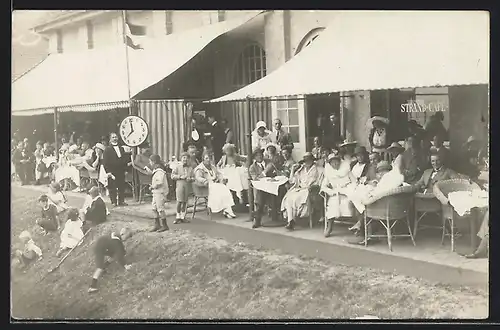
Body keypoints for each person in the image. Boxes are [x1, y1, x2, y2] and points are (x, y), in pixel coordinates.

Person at [281, 152, 323, 231]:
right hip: (299, 189)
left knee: (296, 198)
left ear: (312, 161)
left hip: (308, 189)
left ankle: (292, 220)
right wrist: (293, 170)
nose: (307, 163)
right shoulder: (301, 170)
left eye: (309, 161)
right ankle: (290, 220)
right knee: (288, 198)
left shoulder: (316, 169)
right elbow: (292, 181)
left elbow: (314, 181)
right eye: (305, 161)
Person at [88, 228, 133, 293]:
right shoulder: (117, 242)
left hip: (103, 245)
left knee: (114, 255)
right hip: (99, 248)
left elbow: (120, 249)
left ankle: (105, 266)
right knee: (99, 267)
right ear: (122, 234)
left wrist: (122, 251)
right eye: (127, 237)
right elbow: (119, 256)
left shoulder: (116, 235)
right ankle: (92, 286)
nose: (126, 239)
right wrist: (125, 266)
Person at [321, 154, 356, 237]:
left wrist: (351, 189)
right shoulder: (329, 173)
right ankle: (329, 227)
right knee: (332, 204)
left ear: (340, 162)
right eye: (333, 163)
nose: (335, 164)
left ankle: (358, 226)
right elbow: (323, 186)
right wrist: (331, 191)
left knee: (353, 201)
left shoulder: (346, 170)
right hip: (335, 192)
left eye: (336, 162)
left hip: (347, 191)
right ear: (330, 164)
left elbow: (354, 181)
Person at [194, 151, 236, 218]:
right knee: (220, 188)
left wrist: (222, 179)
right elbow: (198, 177)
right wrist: (205, 181)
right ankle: (226, 210)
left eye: (209, 158)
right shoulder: (199, 168)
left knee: (224, 188)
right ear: (203, 159)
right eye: (206, 158)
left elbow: (219, 174)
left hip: (214, 185)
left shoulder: (212, 167)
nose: (208, 160)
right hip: (204, 187)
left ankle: (227, 210)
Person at [248, 148, 278, 228]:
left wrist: (272, 176)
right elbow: (255, 178)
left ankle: (276, 216)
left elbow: (275, 171)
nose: (260, 157)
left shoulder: (269, 162)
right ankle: (257, 219)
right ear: (254, 158)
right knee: (260, 197)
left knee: (279, 191)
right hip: (261, 188)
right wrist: (265, 172)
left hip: (272, 185)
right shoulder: (252, 167)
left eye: (261, 154)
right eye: (257, 156)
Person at [103, 133, 128, 207]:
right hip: (112, 170)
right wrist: (108, 172)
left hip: (121, 170)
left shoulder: (121, 148)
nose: (115, 138)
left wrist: (125, 169)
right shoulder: (107, 149)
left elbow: (124, 160)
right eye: (113, 137)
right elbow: (105, 162)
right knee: (112, 186)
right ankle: (113, 201)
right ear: (110, 139)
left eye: (116, 137)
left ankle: (121, 201)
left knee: (121, 186)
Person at [148, 154, 170, 232]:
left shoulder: (160, 171)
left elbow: (160, 182)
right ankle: (157, 224)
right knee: (154, 208)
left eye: (150, 161)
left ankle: (165, 225)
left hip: (160, 192)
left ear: (154, 162)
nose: (150, 163)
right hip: (155, 192)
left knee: (160, 209)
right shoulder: (156, 171)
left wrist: (153, 186)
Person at [171, 152, 194, 224]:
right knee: (179, 201)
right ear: (181, 158)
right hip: (180, 185)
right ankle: (178, 216)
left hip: (187, 185)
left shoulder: (190, 168)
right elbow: (172, 176)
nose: (185, 159)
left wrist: (190, 179)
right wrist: (180, 177)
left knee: (185, 201)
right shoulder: (177, 167)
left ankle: (183, 216)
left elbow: (194, 177)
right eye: (184, 158)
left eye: (187, 158)